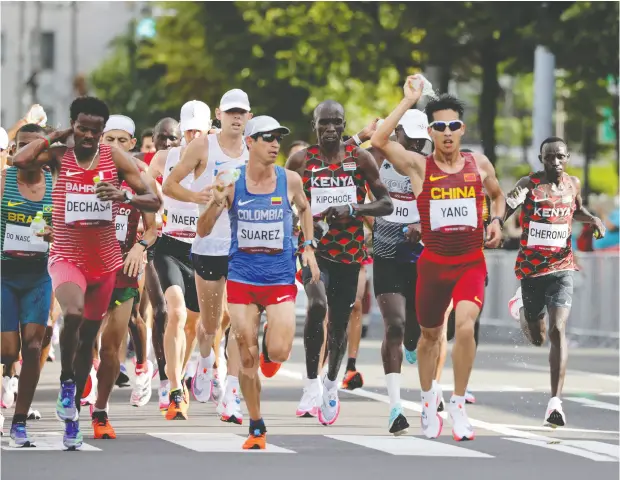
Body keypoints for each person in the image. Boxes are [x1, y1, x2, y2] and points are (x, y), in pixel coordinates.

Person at [11, 96, 160, 450]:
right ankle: (66, 383)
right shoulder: (60, 155)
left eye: (96, 130)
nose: (89, 135)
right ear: (73, 125)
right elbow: (19, 159)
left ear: (102, 131)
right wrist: (55, 135)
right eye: (82, 128)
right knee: (73, 314)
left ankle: (72, 415)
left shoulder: (115, 159)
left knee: (89, 338)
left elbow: (153, 200)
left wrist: (123, 195)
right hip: (66, 255)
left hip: (105, 261)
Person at [371, 75, 505, 442]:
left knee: (464, 326)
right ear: (431, 131)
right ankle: (429, 399)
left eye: (454, 126)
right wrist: (408, 101)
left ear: (462, 130)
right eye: (440, 126)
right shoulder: (417, 166)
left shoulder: (479, 164)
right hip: (432, 264)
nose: (447, 132)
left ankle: (458, 404)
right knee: (429, 338)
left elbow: (498, 196)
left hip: (469, 262)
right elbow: (379, 141)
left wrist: (495, 220)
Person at [198, 115, 320, 449]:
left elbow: (305, 209)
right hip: (242, 277)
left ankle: (270, 354)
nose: (274, 144)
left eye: (278, 138)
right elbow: (203, 229)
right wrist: (216, 199)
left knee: (277, 352)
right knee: (246, 355)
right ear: (249, 143)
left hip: (279, 278)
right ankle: (256, 424)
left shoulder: (290, 180)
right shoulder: (232, 181)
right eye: (266, 138)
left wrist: (307, 248)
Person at [286, 100, 393, 425]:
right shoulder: (302, 159)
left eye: (336, 123)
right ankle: (311, 383)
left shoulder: (359, 159)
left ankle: (331, 382)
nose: (330, 129)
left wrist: (355, 210)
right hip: (312, 250)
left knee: (340, 319)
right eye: (324, 123)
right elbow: (284, 201)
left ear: (344, 125)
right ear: (314, 126)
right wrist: (302, 221)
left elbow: (386, 203)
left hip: (349, 254)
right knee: (317, 305)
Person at [162, 89, 251, 423]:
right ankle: (205, 361)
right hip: (207, 245)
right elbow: (170, 185)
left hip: (243, 248)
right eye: (230, 112)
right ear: (219, 114)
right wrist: (197, 194)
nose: (236, 118)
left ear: (250, 117)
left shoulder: (254, 148)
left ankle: (229, 393)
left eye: (242, 112)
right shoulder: (203, 146)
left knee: (240, 323)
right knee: (210, 324)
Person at [505, 136, 605, 427]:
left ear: (567, 157)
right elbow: (506, 208)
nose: (556, 162)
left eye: (561, 156)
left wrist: (594, 220)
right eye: (550, 157)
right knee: (537, 338)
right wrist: (496, 223)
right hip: (532, 271)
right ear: (542, 159)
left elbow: (578, 211)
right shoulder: (529, 184)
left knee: (559, 329)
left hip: (562, 267)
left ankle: (555, 403)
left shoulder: (573, 184)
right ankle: (521, 304)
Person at [88, 115, 159, 439]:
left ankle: (102, 406)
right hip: (88, 267)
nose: (114, 146)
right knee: (84, 336)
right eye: (109, 140)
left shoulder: (138, 178)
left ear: (131, 144)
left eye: (121, 141)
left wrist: (139, 247)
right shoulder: (88, 175)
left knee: (116, 343)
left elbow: (153, 227)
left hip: (125, 270)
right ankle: (83, 385)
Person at [152, 100, 211, 420]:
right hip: (170, 247)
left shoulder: (218, 157)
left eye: (197, 130)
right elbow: (145, 187)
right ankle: (174, 388)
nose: (190, 135)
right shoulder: (166, 157)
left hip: (203, 249)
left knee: (193, 325)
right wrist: (152, 214)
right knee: (173, 313)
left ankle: (185, 372)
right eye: (187, 129)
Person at [1, 123, 54, 446]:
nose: (27, 152)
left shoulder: (55, 185)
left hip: (39, 275)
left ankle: (19, 420)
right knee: (8, 351)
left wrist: (55, 235)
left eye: (34, 146)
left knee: (34, 347)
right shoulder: (3, 181)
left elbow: (69, 231)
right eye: (21, 145)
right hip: (4, 274)